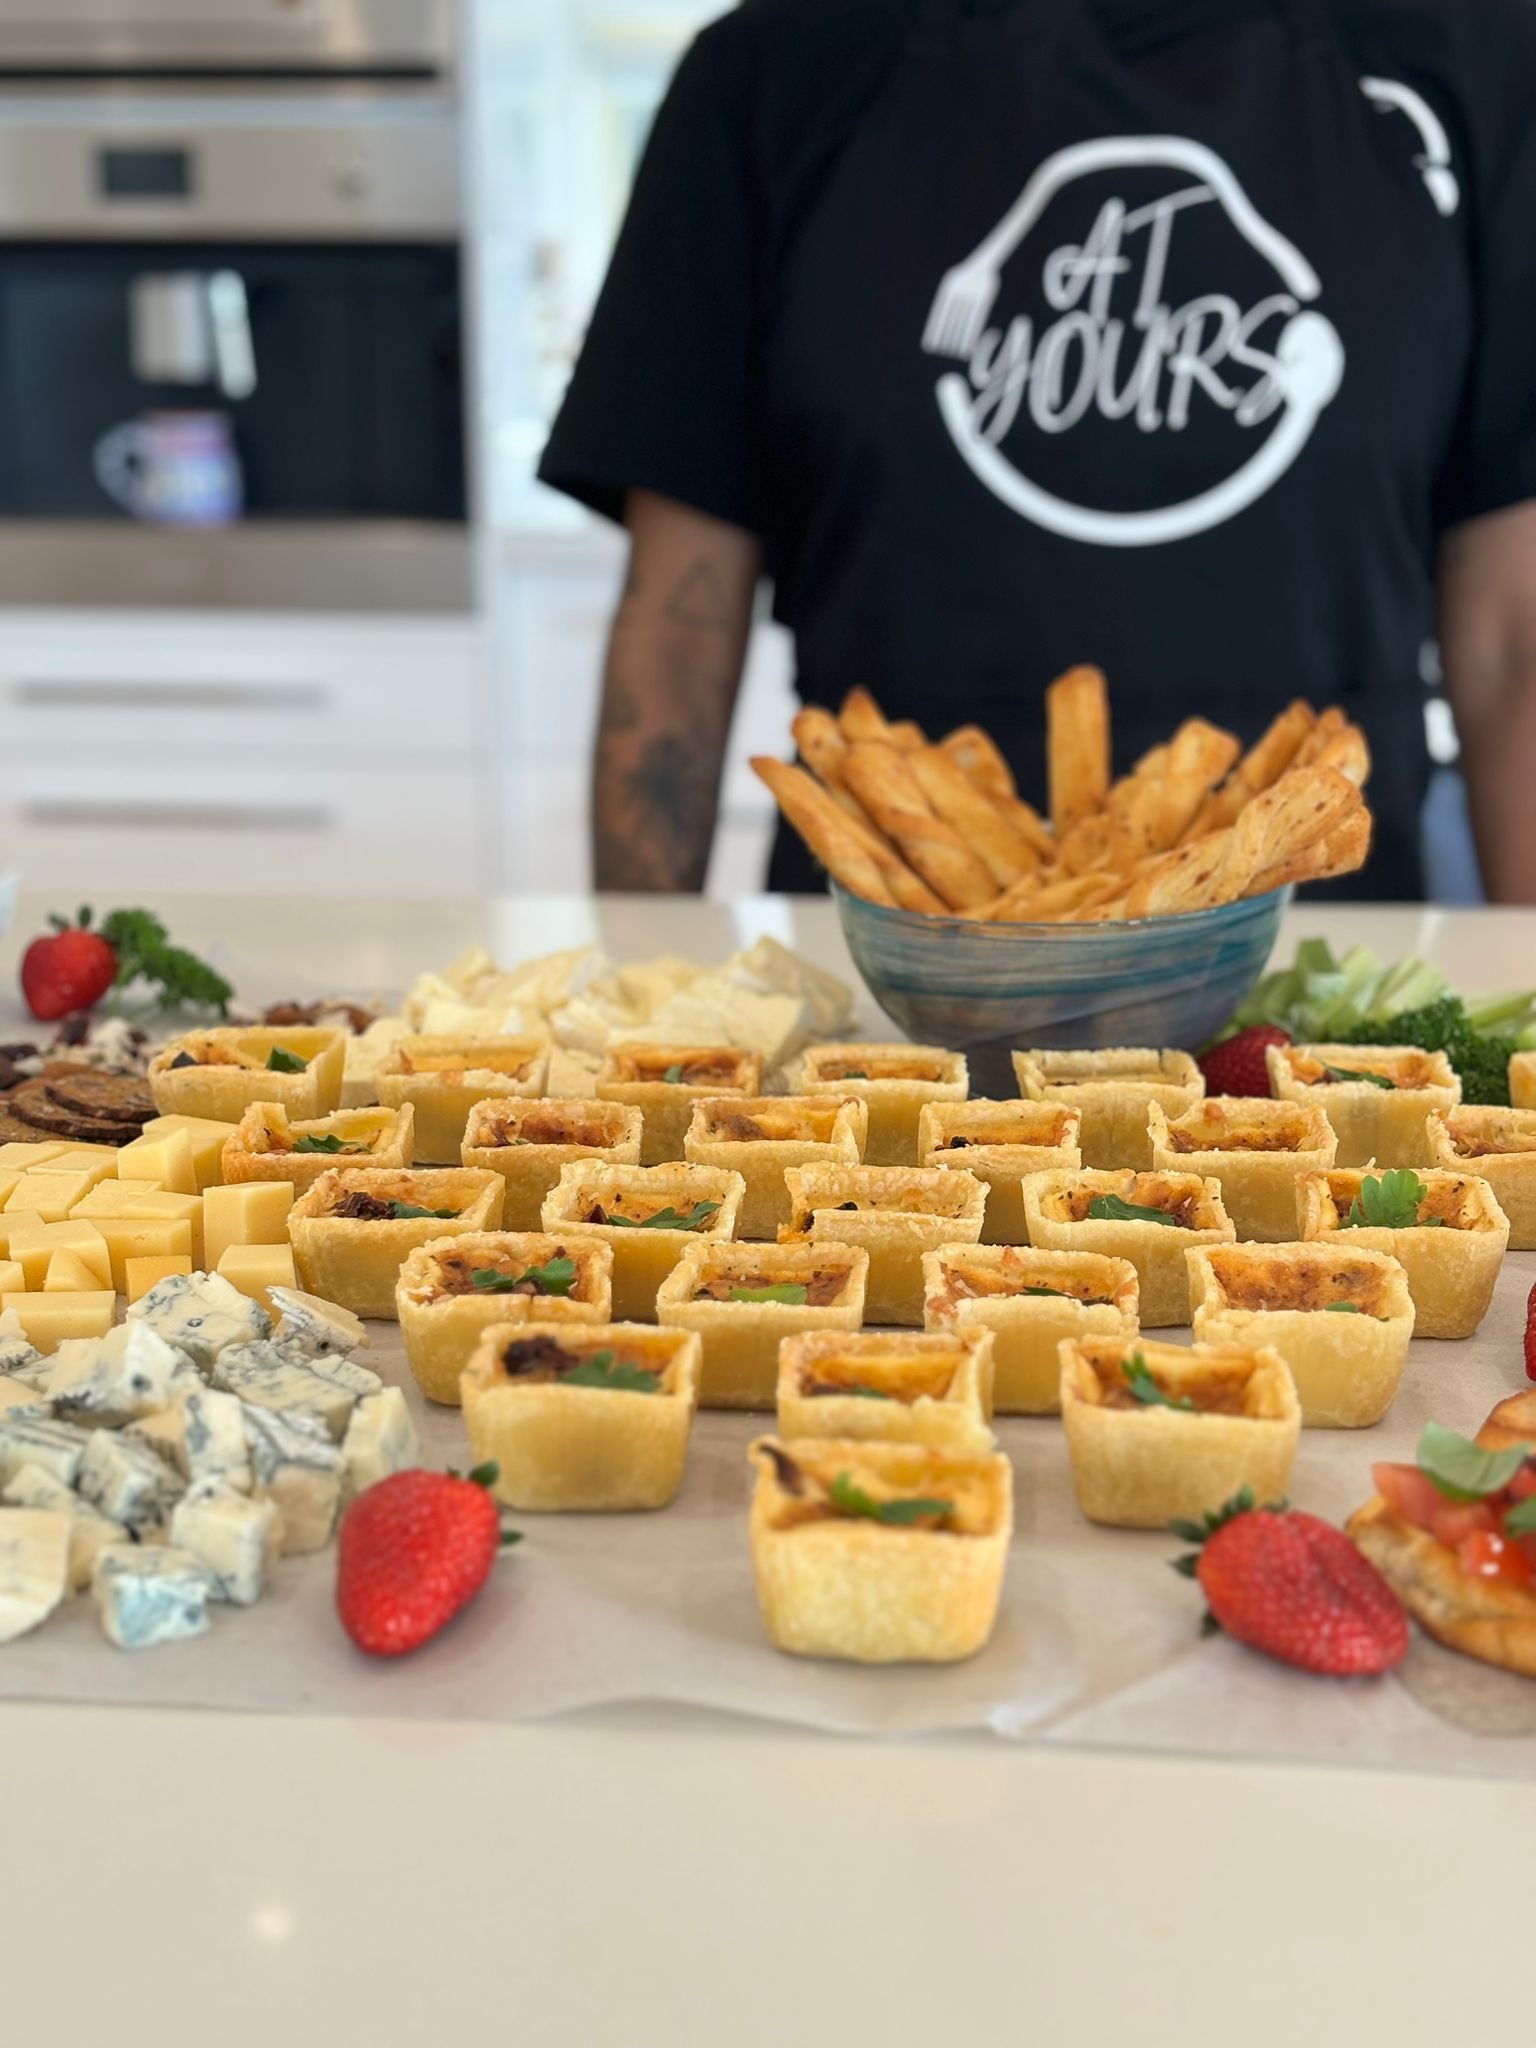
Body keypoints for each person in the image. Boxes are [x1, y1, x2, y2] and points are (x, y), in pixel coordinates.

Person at [539, 0, 1536, 902]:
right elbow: (680, 622)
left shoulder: (1474, 63)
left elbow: (1513, 641)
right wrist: (645, 999)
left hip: (1328, 967)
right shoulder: (768, 75)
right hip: (881, 985)